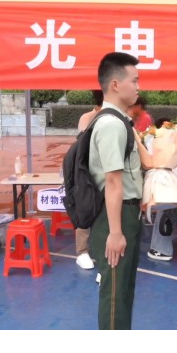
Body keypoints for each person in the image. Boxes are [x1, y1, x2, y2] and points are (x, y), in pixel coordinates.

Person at [88, 52, 143, 330]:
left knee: (122, 291)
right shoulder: (111, 125)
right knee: (115, 295)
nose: (138, 87)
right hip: (116, 215)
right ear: (115, 85)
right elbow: (112, 181)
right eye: (134, 80)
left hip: (123, 214)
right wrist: (116, 232)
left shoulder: (117, 120)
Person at [73, 90, 104, 269]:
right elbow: (84, 146)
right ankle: (82, 252)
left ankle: (100, 249)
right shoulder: (87, 118)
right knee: (85, 211)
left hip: (105, 173)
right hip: (86, 173)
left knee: (104, 214)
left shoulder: (115, 117)